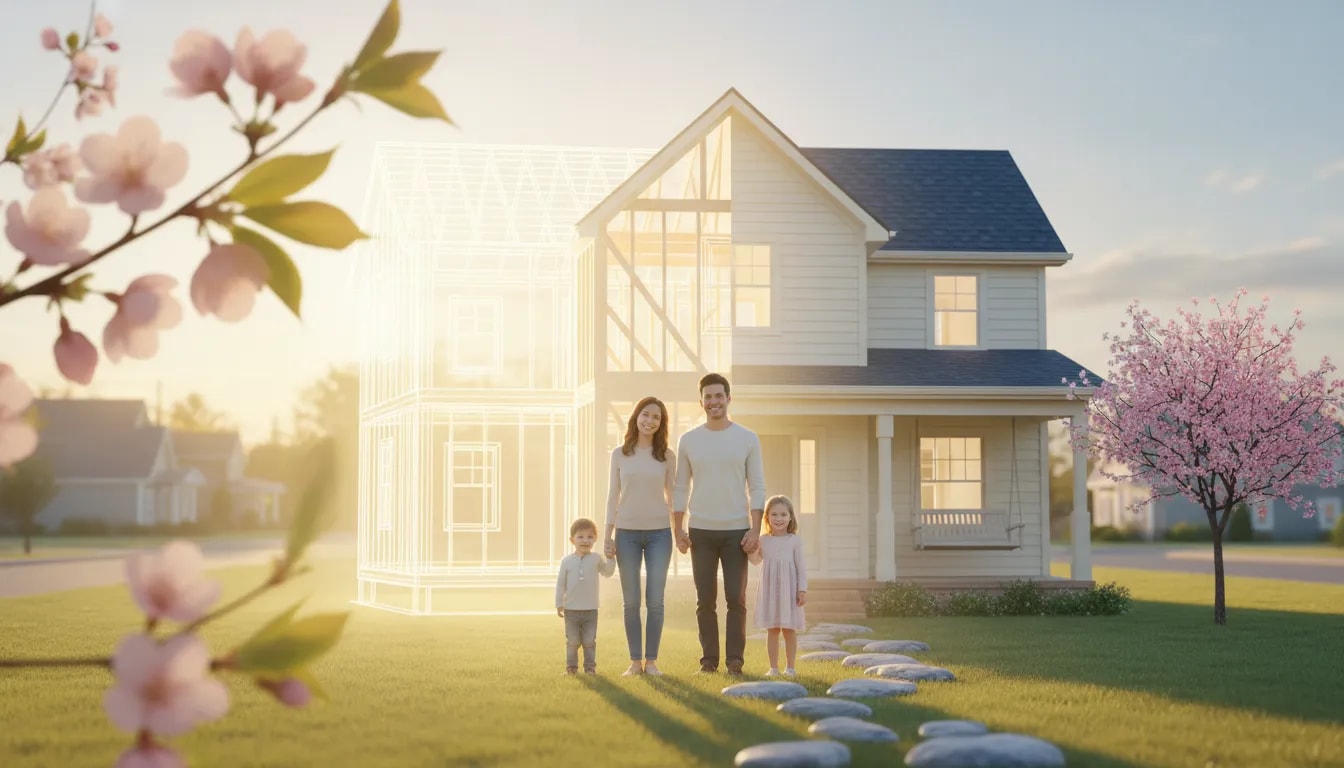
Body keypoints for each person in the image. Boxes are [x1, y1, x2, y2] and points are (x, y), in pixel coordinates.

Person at [672, 372, 766, 677]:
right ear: (701, 401)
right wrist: (678, 529)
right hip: (700, 531)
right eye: (708, 397)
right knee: (705, 601)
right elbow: (680, 488)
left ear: (728, 398)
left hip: (737, 531)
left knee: (736, 600)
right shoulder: (688, 440)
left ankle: (735, 661)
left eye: (719, 396)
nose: (714, 401)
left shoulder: (747, 438)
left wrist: (755, 529)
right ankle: (709, 662)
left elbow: (757, 486)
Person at [602, 397, 676, 677]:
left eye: (656, 417)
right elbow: (613, 496)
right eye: (646, 414)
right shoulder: (619, 454)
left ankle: (651, 662)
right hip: (626, 534)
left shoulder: (667, 456)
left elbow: (673, 498)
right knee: (631, 602)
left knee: (655, 601)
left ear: (662, 423)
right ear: (636, 417)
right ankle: (635, 662)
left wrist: (680, 530)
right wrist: (607, 535)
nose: (650, 421)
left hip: (660, 534)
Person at [746, 495, 808, 677]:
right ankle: (773, 668)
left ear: (790, 517)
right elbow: (755, 561)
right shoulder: (763, 540)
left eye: (783, 514)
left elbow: (801, 567)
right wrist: (750, 550)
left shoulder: (795, 540)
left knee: (789, 629)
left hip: (790, 590)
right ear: (767, 517)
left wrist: (802, 589)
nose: (779, 519)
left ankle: (790, 668)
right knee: (772, 629)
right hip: (770, 591)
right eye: (774, 514)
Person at [555, 517, 615, 675]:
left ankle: (590, 669)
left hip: (590, 610)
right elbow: (561, 584)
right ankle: (571, 669)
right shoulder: (566, 561)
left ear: (595, 539)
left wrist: (611, 558)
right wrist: (559, 603)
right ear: (572, 540)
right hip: (571, 610)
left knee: (589, 641)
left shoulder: (596, 559)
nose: (585, 540)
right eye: (580, 537)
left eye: (590, 537)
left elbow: (607, 572)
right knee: (572, 641)